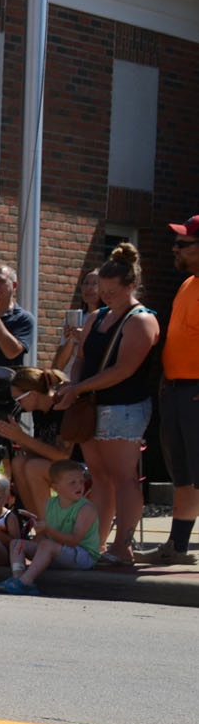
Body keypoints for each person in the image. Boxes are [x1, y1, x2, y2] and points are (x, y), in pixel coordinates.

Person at [55, 243, 160, 568]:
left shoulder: (141, 320)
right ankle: (95, 544)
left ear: (131, 286)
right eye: (102, 291)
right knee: (99, 478)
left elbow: (123, 370)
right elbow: (82, 358)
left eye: (112, 292)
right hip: (92, 407)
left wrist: (79, 388)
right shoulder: (97, 316)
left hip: (124, 407)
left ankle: (122, 547)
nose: (106, 297)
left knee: (123, 477)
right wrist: (72, 385)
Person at [149, 216, 199, 565]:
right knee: (184, 475)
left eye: (183, 244)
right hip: (177, 390)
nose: (174, 249)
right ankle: (177, 547)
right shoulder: (186, 285)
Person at [0, 459, 99, 593]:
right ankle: (17, 579)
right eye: (72, 483)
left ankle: (26, 582)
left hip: (83, 556)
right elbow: (44, 536)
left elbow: (74, 540)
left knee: (46, 545)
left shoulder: (86, 508)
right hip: (56, 551)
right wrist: (39, 534)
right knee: (17, 543)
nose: (79, 486)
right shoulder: (49, 504)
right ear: (55, 488)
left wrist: (47, 530)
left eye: (81, 481)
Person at [0, 367, 73, 516]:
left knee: (33, 467)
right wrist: (15, 437)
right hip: (56, 466)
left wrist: (22, 437)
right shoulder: (39, 411)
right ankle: (37, 521)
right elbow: (39, 449)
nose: (18, 404)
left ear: (34, 394)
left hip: (78, 467)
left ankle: (48, 524)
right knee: (19, 462)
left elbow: (62, 455)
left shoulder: (61, 408)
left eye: (19, 399)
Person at [51, 271, 104, 374]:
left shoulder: (109, 318)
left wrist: (85, 337)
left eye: (94, 284)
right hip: (69, 377)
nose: (88, 288)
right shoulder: (74, 318)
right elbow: (60, 364)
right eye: (86, 283)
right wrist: (71, 339)